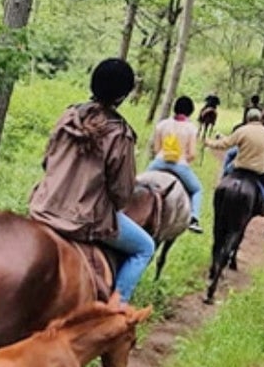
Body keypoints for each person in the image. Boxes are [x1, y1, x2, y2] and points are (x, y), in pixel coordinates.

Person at [28, 58, 156, 304]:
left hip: (44, 205)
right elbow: (121, 193)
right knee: (145, 247)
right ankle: (116, 308)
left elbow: (47, 161)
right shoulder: (120, 133)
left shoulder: (68, 115)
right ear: (123, 95)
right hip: (84, 219)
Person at [146, 95, 205, 233]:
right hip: (180, 165)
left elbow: (156, 149)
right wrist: (185, 161)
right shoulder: (191, 128)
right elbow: (191, 154)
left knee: (139, 181)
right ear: (190, 111)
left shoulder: (162, 125)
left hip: (159, 162)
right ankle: (194, 218)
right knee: (197, 190)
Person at [204, 108, 264, 214]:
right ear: (259, 119)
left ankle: (219, 188)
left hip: (239, 166)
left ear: (248, 119)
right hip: (258, 169)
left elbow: (225, 144)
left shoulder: (242, 130)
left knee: (226, 174)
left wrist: (209, 143)